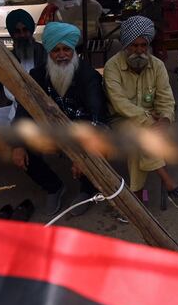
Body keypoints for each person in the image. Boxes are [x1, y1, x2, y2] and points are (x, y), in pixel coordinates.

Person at [10, 22, 108, 216]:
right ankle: (53, 187)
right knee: (20, 146)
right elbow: (24, 109)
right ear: (49, 52)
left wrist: (83, 155)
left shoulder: (88, 76)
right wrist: (18, 144)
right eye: (56, 50)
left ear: (73, 50)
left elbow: (97, 116)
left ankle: (87, 190)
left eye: (66, 49)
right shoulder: (37, 75)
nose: (62, 54)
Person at [104, 15, 178, 208]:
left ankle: (134, 197)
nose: (139, 51)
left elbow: (166, 99)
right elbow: (120, 104)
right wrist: (150, 121)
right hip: (121, 120)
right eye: (134, 46)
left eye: (143, 45)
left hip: (155, 122)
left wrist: (166, 120)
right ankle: (168, 182)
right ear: (125, 45)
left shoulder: (157, 65)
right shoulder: (112, 67)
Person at [0, 9, 46, 126]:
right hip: (17, 107)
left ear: (31, 30)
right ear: (12, 35)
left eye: (25, 30)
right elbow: (8, 91)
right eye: (17, 32)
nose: (22, 35)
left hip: (42, 108)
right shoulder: (10, 57)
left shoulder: (43, 52)